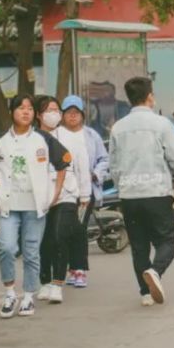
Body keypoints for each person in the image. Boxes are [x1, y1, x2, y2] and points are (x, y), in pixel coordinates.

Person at [0, 94, 71, 319]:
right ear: (12, 112)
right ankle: (10, 293)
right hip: (9, 205)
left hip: (35, 206)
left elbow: (64, 161)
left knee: (31, 251)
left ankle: (29, 296)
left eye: (30, 109)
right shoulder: (0, 141)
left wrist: (56, 192)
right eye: (21, 108)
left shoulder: (43, 139)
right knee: (6, 247)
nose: (26, 112)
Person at [110, 76, 174, 306]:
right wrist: (172, 169)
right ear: (150, 96)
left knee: (139, 245)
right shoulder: (162, 124)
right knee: (168, 240)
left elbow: (113, 165)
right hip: (155, 191)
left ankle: (145, 293)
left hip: (129, 195)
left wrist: (122, 185)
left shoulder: (118, 127)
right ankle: (155, 271)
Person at [35, 96, 91, 305]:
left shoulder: (71, 137)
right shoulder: (31, 139)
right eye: (49, 110)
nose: (54, 114)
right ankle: (45, 281)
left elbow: (82, 167)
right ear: (39, 115)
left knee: (60, 236)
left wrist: (84, 195)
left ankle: (58, 283)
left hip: (66, 194)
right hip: (39, 196)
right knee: (44, 240)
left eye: (56, 109)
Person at [61, 95, 108, 289]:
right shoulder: (57, 135)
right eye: (68, 113)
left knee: (79, 229)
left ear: (82, 115)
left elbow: (104, 159)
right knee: (65, 230)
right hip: (62, 192)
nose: (72, 116)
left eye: (76, 113)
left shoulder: (91, 135)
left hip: (85, 192)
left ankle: (79, 269)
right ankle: (67, 268)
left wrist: (95, 174)